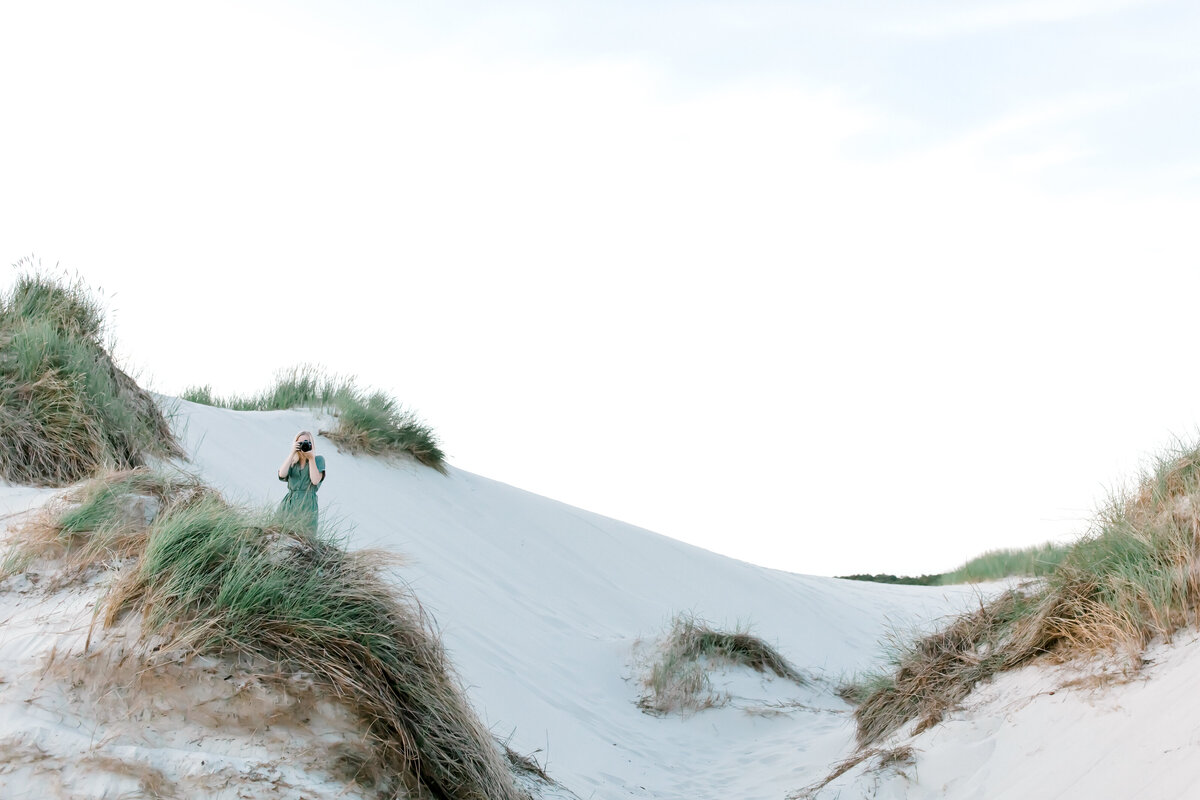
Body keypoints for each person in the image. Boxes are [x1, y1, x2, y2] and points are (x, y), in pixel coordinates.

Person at [278, 430, 326, 531]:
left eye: (306, 442)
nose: (303, 445)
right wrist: (292, 453)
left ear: (311, 444)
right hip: (289, 504)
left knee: (305, 539)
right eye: (299, 443)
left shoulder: (318, 460)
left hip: (307, 505)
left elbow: (315, 481)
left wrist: (311, 458)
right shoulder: (293, 462)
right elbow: (282, 474)